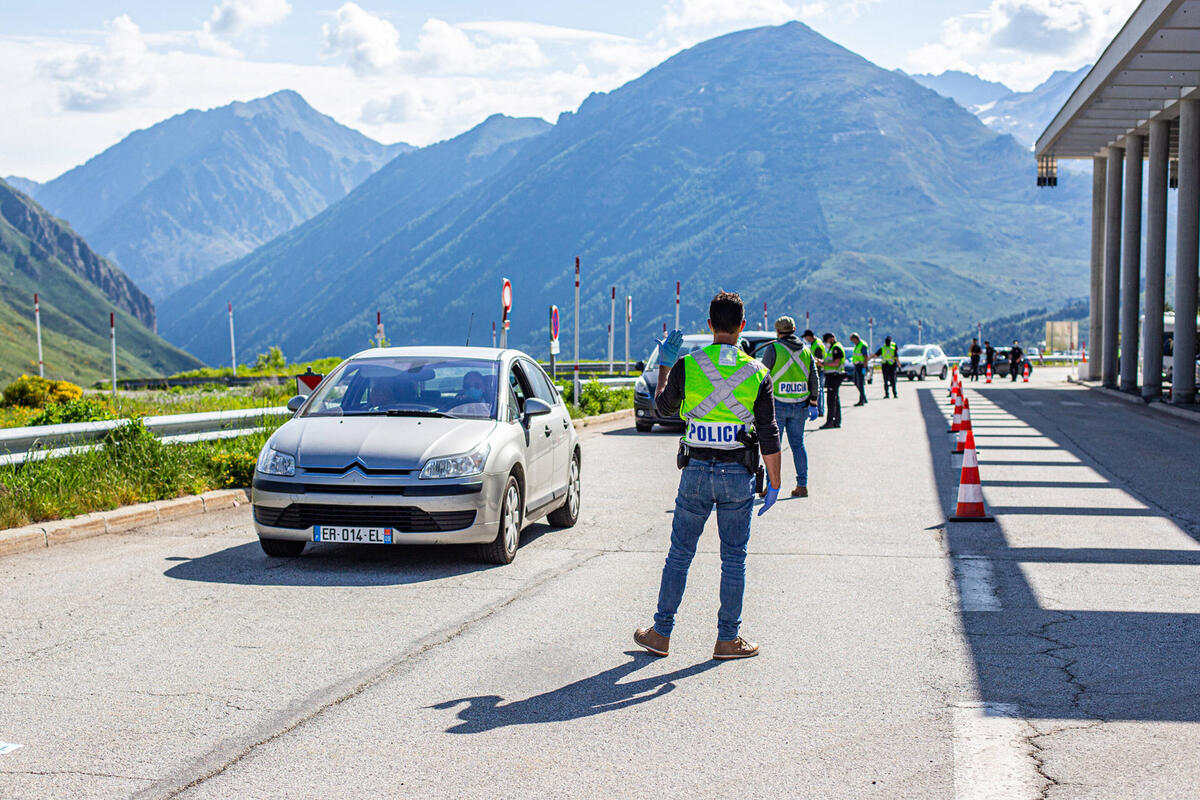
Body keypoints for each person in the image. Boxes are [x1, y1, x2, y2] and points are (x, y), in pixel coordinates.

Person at [633, 291, 782, 661]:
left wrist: (665, 365)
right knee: (733, 558)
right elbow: (769, 432)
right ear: (742, 326)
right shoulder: (758, 372)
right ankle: (727, 640)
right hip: (739, 473)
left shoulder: (688, 365)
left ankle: (660, 634)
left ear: (710, 324)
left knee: (680, 554)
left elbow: (663, 409)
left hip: (696, 470)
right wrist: (775, 482)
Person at [760, 316, 820, 498]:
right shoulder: (806, 351)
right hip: (801, 405)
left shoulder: (774, 349)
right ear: (794, 329)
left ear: (778, 331)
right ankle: (802, 485)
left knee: (773, 448)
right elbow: (814, 378)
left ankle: (771, 486)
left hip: (777, 404)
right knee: (798, 445)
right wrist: (814, 402)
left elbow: (761, 376)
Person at [819, 333, 845, 429]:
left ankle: (830, 421)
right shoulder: (833, 347)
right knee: (835, 399)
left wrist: (823, 363)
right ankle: (836, 421)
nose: (826, 343)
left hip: (834, 375)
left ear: (831, 339)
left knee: (831, 400)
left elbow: (836, 363)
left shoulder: (836, 348)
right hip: (833, 375)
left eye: (827, 341)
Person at [803, 329, 826, 418]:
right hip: (817, 369)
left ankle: (820, 409)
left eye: (805, 337)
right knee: (818, 389)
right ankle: (819, 409)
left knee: (818, 390)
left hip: (818, 370)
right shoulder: (815, 343)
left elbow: (819, 361)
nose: (805, 339)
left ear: (809, 336)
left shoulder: (817, 345)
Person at [849, 333, 869, 406]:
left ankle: (861, 400)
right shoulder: (857, 345)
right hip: (857, 366)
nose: (852, 342)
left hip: (861, 366)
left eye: (852, 340)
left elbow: (866, 357)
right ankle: (864, 397)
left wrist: (864, 367)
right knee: (856, 381)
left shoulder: (862, 345)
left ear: (855, 339)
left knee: (860, 384)